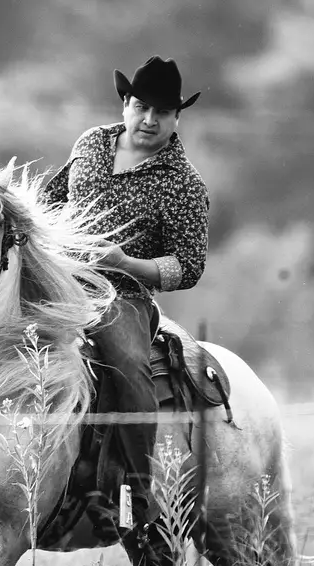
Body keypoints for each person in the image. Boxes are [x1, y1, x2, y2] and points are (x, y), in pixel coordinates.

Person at [42, 56, 210, 538]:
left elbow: (188, 265)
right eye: (140, 107)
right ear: (126, 104)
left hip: (122, 293)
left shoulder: (183, 184)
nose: (148, 120)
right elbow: (54, 199)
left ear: (178, 117)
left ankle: (139, 493)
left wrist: (125, 263)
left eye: (161, 111)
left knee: (129, 363)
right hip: (59, 277)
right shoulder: (91, 144)